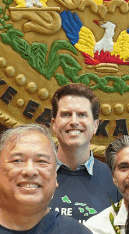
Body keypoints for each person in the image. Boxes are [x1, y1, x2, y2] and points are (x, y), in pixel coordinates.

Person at [48, 83, 119, 220]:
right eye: (66, 114)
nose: (74, 121)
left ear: (95, 125)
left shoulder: (114, 179)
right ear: (54, 125)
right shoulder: (37, 174)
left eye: (82, 115)